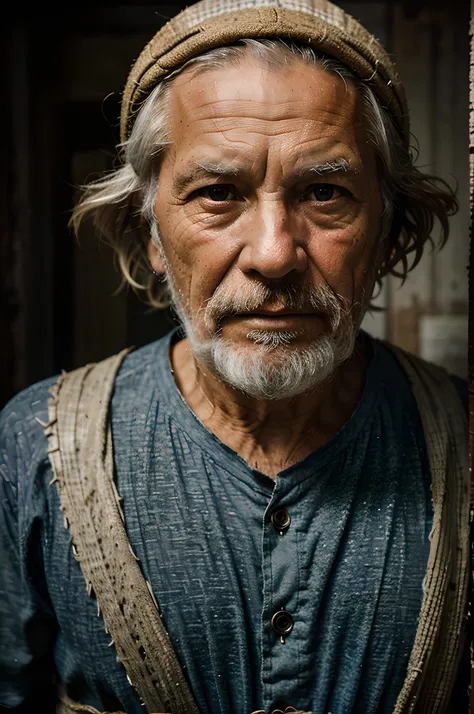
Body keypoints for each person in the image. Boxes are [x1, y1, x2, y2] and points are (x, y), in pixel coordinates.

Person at [0, 1, 470, 713]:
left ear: (387, 230)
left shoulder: (466, 436)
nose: (275, 253)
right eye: (218, 193)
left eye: (325, 193)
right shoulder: (32, 447)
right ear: (152, 234)